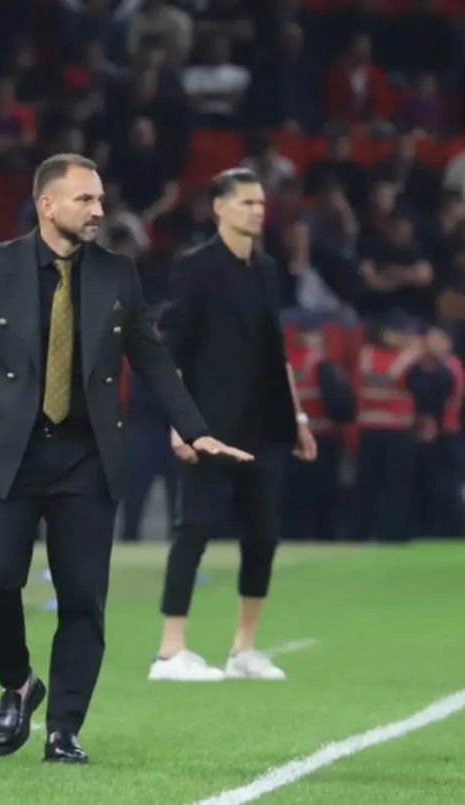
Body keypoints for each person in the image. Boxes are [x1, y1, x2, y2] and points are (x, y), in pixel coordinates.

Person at [0, 153, 251, 764]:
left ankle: (64, 729)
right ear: (48, 205)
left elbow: (153, 359)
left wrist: (195, 429)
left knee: (83, 598)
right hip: (5, 452)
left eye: (100, 199)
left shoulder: (118, 274)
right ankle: (18, 682)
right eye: (85, 199)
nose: (98, 210)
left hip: (86, 456)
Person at [149, 168, 318, 683]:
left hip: (264, 423)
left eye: (261, 203)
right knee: (194, 529)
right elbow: (171, 349)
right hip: (208, 424)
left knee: (263, 534)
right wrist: (180, 422)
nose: (257, 211)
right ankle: (170, 652)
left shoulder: (266, 269)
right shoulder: (195, 267)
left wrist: (298, 417)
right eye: (246, 202)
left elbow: (276, 350)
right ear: (219, 207)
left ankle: (244, 649)